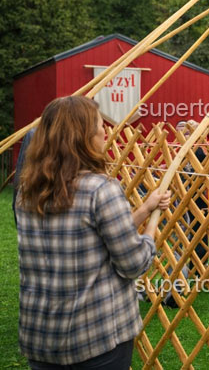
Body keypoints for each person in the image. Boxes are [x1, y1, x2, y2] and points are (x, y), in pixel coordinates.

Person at [15, 96, 169, 368]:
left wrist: (146, 208)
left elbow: (91, 240)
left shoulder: (28, 192)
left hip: (41, 337)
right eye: (100, 125)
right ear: (83, 136)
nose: (105, 132)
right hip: (96, 340)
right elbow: (134, 263)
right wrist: (153, 225)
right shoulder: (100, 189)